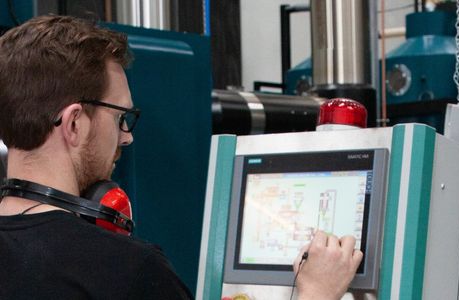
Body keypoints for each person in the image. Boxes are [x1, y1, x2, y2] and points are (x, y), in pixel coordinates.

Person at [0, 15, 362, 299]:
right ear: (75, 124)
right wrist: (316, 292)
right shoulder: (126, 271)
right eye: (119, 117)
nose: (126, 137)